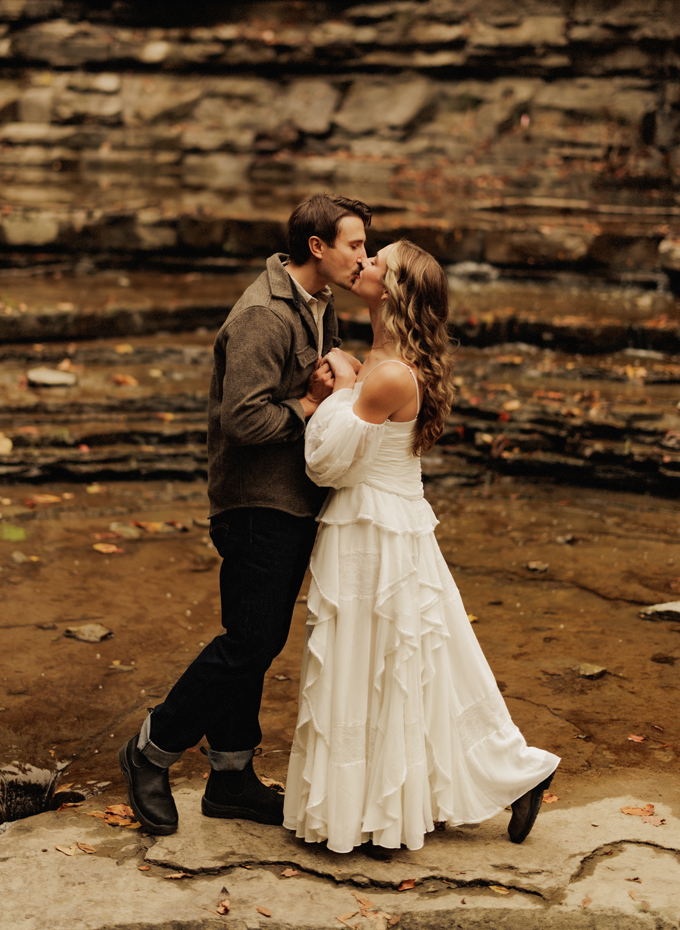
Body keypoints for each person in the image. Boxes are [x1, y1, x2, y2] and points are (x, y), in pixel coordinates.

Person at [286, 240, 556, 850]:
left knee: (383, 663)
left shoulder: (385, 374)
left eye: (377, 262)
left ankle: (384, 809)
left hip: (373, 531)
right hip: (389, 521)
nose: (364, 265)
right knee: (421, 665)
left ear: (395, 291)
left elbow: (326, 464)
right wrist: (351, 380)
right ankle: (509, 774)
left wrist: (335, 391)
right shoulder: (387, 359)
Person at [122, 194, 371, 837]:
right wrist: (312, 404)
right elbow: (245, 419)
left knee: (253, 640)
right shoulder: (263, 315)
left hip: (292, 498)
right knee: (250, 642)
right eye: (355, 245)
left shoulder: (319, 305)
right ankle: (151, 748)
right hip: (255, 502)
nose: (362, 257)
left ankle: (230, 777)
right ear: (317, 246)